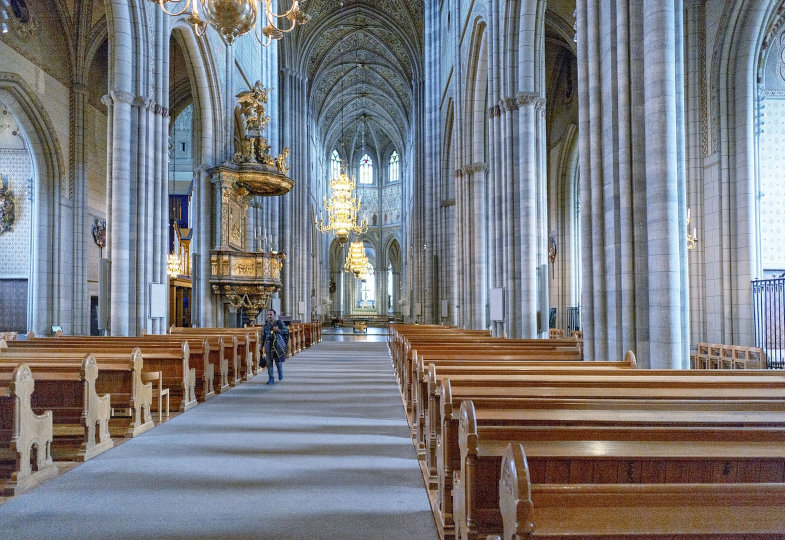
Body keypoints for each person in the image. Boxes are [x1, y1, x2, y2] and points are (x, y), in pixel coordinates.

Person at [260, 308, 288, 384]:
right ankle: (271, 379)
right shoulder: (265, 325)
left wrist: (278, 330)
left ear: (274, 315)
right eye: (268, 314)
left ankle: (280, 370)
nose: (269, 316)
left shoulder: (279, 323)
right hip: (268, 344)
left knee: (278, 361)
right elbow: (262, 336)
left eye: (271, 314)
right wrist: (261, 346)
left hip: (277, 344)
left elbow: (286, 331)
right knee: (269, 362)